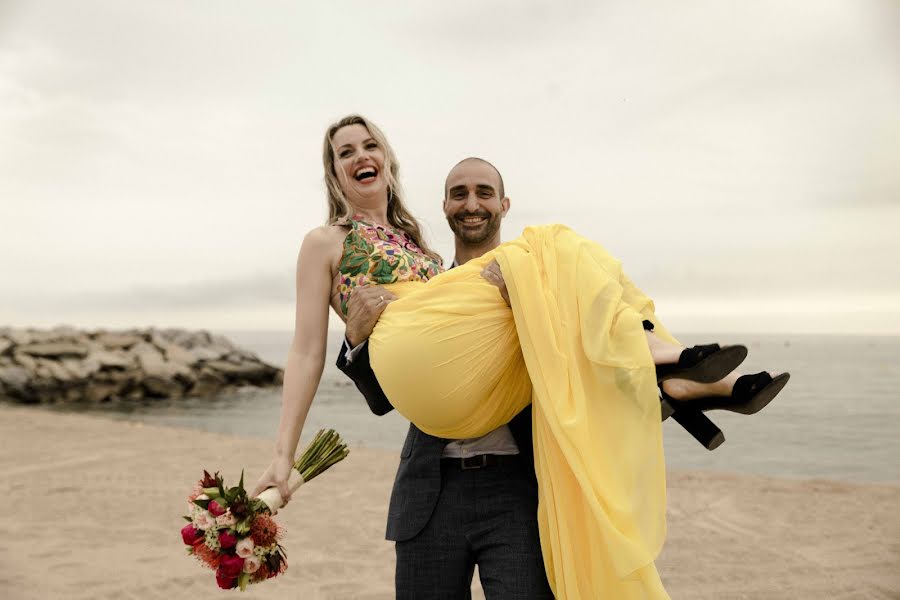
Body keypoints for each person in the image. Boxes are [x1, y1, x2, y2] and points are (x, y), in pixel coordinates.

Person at [252, 114, 789, 599]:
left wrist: (523, 298)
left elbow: (555, 362)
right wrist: (295, 437)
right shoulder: (324, 241)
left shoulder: (429, 258)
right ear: (334, 173)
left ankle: (668, 376)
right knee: (551, 248)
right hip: (430, 485)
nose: (360, 156)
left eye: (370, 145)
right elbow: (308, 352)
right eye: (345, 152)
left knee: (549, 267)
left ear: (388, 160)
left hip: (514, 484)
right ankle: (666, 367)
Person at [336, 156, 554, 599]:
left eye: (483, 193)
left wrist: (528, 311)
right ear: (445, 207)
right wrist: (356, 340)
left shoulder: (534, 277)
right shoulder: (420, 287)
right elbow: (383, 400)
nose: (471, 204)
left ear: (504, 204)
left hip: (516, 491)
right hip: (430, 493)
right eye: (459, 194)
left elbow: (566, 372)